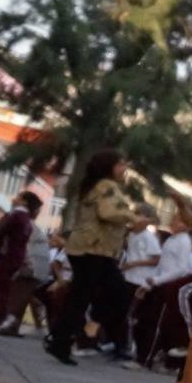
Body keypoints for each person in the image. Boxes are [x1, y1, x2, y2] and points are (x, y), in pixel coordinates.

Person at [47, 151, 142, 366]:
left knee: (79, 297)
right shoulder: (107, 186)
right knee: (119, 292)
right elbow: (108, 213)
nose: (124, 168)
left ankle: (60, 341)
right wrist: (133, 217)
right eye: (121, 164)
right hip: (94, 249)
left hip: (88, 248)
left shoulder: (94, 185)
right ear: (110, 166)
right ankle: (93, 324)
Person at [129, 205, 192, 369]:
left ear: (186, 225)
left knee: (155, 324)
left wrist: (158, 280)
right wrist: (150, 283)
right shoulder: (171, 239)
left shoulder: (184, 242)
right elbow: (163, 265)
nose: (174, 222)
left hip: (167, 286)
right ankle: (141, 354)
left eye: (178, 220)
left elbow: (182, 269)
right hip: (158, 284)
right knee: (143, 320)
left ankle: (145, 358)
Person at [0, 191, 39, 333]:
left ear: (24, 202)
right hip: (13, 257)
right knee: (0, 286)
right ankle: (0, 320)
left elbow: (0, 230)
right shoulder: (24, 217)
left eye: (18, 196)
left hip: (9, 257)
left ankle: (1, 319)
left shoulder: (17, 215)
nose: (14, 198)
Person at [109, 205, 162, 358]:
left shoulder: (148, 237)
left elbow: (156, 259)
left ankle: (127, 347)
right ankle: (118, 343)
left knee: (129, 313)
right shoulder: (131, 235)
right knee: (119, 311)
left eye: (139, 214)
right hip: (128, 277)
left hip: (140, 279)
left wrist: (133, 264)